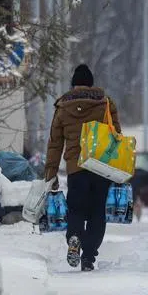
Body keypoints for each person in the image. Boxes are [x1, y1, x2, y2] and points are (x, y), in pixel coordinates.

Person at [44, 64, 122, 271]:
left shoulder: (62, 107)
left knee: (76, 209)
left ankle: (75, 238)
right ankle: (88, 257)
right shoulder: (105, 104)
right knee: (97, 212)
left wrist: (50, 174)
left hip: (75, 168)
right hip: (100, 166)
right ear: (91, 83)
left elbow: (54, 143)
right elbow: (116, 136)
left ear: (73, 83)